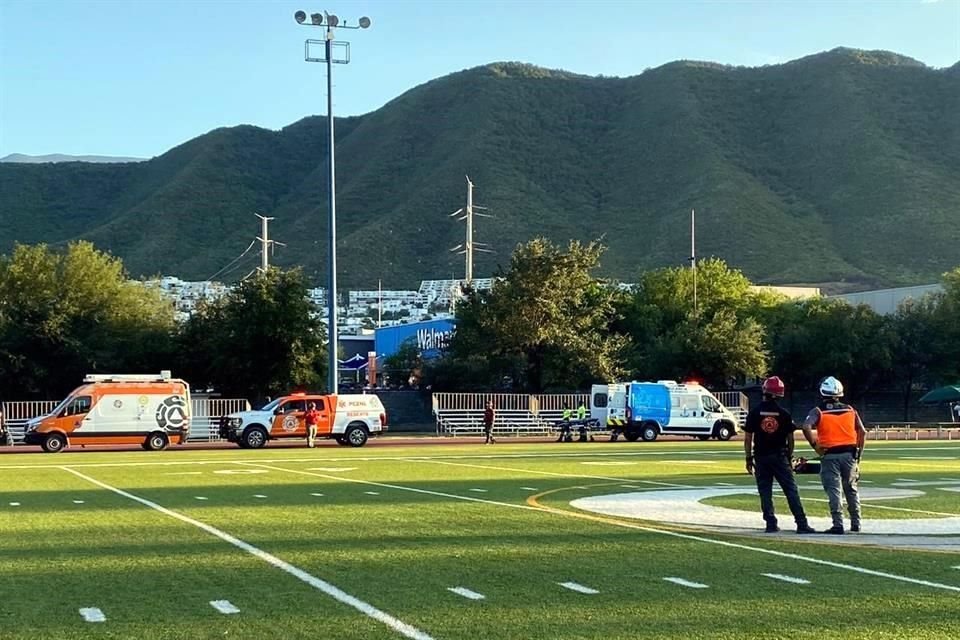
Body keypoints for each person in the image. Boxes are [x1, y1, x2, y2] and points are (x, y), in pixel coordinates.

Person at [743, 376, 815, 534]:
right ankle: (801, 523)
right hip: (779, 456)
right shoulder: (784, 414)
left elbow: (748, 437)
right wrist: (789, 456)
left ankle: (770, 523)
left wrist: (748, 458)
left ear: (765, 391)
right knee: (790, 490)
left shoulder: (755, 412)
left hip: (761, 457)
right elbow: (791, 438)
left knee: (765, 491)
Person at [799, 376, 866, 535]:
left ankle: (838, 524)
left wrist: (815, 445)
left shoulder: (818, 411)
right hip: (849, 454)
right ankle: (856, 522)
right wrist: (858, 453)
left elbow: (806, 426)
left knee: (834, 490)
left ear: (822, 392)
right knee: (851, 489)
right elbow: (862, 432)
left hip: (830, 455)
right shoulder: (850, 410)